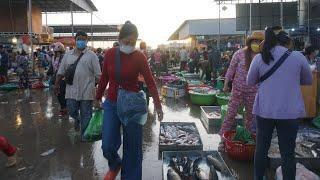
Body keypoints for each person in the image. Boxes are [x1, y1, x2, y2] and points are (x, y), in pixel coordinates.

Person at [95, 21, 163, 180]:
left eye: (133, 43)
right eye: (126, 42)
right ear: (120, 40)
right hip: (111, 102)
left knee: (133, 149)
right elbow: (104, 77)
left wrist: (158, 106)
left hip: (132, 106)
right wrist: (97, 97)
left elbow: (150, 82)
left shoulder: (139, 56)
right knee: (107, 145)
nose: (129, 45)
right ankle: (115, 163)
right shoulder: (110, 54)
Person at [247, 27, 312, 180]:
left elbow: (250, 81)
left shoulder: (260, 58)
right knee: (288, 153)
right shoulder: (298, 57)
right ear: (288, 43)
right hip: (290, 113)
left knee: (261, 149)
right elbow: (308, 80)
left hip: (265, 111)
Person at [54, 31, 101, 139]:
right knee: (71, 110)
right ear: (75, 40)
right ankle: (77, 119)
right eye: (79, 39)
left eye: (83, 39)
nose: (81, 41)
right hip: (71, 90)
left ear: (86, 41)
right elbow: (61, 71)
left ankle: (84, 137)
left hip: (87, 91)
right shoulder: (67, 55)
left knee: (86, 115)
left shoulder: (92, 56)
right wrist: (56, 85)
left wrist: (101, 90)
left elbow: (98, 74)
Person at [219, 31, 264, 137]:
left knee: (251, 118)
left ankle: (248, 139)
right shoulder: (239, 53)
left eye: (259, 41)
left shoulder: (263, 56)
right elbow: (231, 70)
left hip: (253, 92)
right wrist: (226, 84)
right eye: (254, 41)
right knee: (230, 114)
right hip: (237, 90)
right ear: (250, 42)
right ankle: (222, 139)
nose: (256, 43)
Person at [48, 42, 67, 116]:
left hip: (63, 78)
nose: (56, 53)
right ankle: (63, 107)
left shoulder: (64, 57)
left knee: (62, 93)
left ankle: (64, 107)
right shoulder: (53, 58)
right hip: (56, 78)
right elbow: (52, 67)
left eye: (58, 52)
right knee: (58, 93)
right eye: (55, 52)